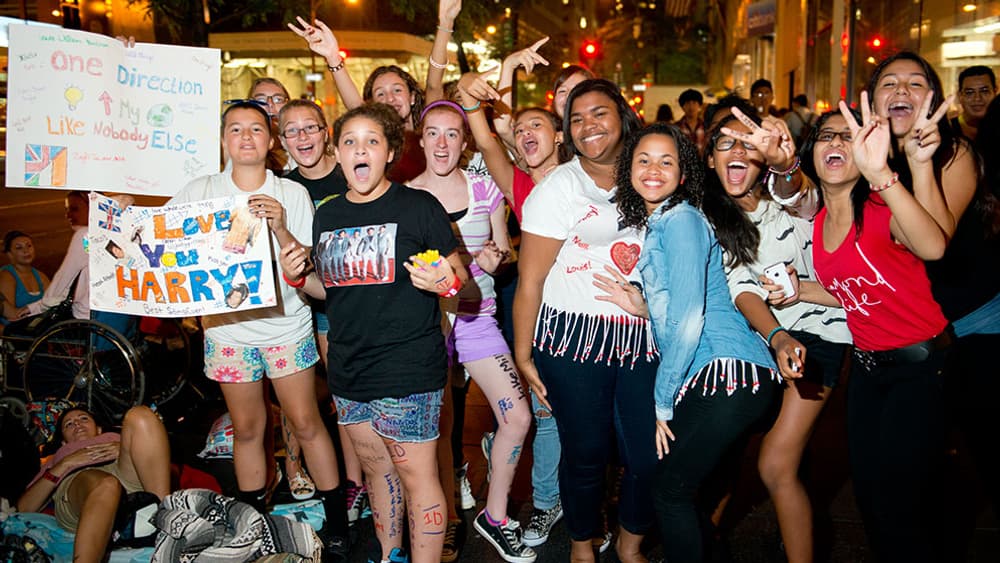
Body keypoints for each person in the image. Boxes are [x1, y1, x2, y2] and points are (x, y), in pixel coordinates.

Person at [280, 102, 466, 563]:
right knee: (377, 471)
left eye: (371, 141)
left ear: (389, 153)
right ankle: (391, 554)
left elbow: (458, 275)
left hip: (408, 368)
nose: (359, 150)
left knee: (416, 476)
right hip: (348, 368)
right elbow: (332, 290)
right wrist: (299, 277)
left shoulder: (419, 207)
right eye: (349, 142)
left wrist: (446, 281)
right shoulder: (328, 216)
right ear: (337, 153)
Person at [170, 100, 349, 561]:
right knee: (249, 429)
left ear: (271, 142)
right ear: (224, 140)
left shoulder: (291, 193)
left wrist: (282, 228)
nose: (246, 137)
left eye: (256, 129)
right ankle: (249, 522)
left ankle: (337, 520)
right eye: (235, 129)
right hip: (228, 334)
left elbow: (308, 263)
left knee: (307, 423)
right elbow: (160, 243)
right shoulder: (200, 190)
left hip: (286, 328)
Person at [605, 121, 778, 563]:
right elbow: (690, 302)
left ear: (684, 175)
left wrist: (661, 403)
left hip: (726, 373)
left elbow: (688, 321)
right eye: (643, 160)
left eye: (668, 161)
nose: (654, 169)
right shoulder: (667, 221)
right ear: (629, 170)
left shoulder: (680, 220)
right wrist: (646, 308)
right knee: (681, 490)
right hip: (733, 376)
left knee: (671, 492)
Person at [804, 97, 952, 563]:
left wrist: (882, 174)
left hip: (921, 369)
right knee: (869, 496)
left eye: (848, 135)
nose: (835, 142)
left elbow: (933, 247)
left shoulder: (880, 206)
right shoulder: (821, 220)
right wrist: (799, 290)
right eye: (826, 134)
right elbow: (855, 290)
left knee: (899, 504)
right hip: (867, 371)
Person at [514, 78, 655, 563]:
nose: (587, 125)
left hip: (643, 338)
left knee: (644, 454)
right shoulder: (559, 188)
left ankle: (631, 545)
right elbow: (530, 280)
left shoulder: (652, 170)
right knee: (586, 453)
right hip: (573, 341)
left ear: (623, 115)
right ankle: (581, 546)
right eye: (576, 118)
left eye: (599, 113)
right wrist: (522, 353)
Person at [708, 109, 851, 563]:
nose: (735, 151)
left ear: (763, 157)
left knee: (775, 462)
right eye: (724, 143)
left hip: (825, 334)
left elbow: (799, 193)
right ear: (709, 160)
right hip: (764, 337)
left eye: (746, 144)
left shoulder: (788, 197)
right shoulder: (710, 217)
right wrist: (776, 336)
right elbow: (740, 287)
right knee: (728, 445)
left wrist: (786, 168)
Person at [409, 100, 535, 563]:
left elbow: (505, 248)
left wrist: (496, 258)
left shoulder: (485, 189)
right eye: (433, 134)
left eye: (452, 135)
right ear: (420, 140)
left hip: (476, 319)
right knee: (435, 433)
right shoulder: (404, 197)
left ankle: (495, 516)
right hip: (426, 327)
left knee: (518, 417)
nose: (442, 143)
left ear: (464, 143)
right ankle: (440, 523)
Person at [289, 0, 459, 182]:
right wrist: (332, 57)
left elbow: (433, 84)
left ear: (412, 97)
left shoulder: (429, 127)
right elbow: (354, 105)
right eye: (380, 93)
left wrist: (446, 23)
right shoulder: (375, 135)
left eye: (397, 90)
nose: (390, 98)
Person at [16, 406, 170, 563]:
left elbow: (153, 452)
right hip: (78, 487)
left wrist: (123, 447)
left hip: (122, 472)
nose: (77, 424)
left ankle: (167, 522)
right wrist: (65, 463)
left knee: (140, 414)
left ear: (99, 429)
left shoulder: (115, 437)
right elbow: (24, 508)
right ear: (63, 441)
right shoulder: (57, 457)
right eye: (69, 424)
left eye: (83, 418)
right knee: (106, 484)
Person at [0, 230, 50, 327]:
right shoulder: (7, 276)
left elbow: (53, 301)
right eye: (19, 248)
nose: (26, 251)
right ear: (9, 254)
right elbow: (10, 316)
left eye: (29, 246)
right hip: (16, 333)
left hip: (36, 330)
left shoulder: (41, 276)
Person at [950, 65, 996, 142]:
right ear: (960, 96)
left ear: (995, 92)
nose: (977, 98)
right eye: (969, 92)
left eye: (984, 91)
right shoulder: (947, 129)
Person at [675, 88, 706, 153]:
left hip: (702, 162)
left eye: (694, 103)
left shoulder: (706, 126)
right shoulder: (676, 127)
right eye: (688, 103)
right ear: (682, 107)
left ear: (699, 105)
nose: (691, 106)